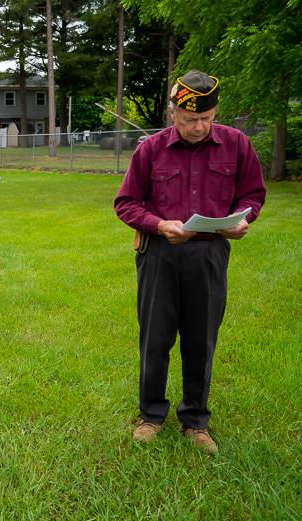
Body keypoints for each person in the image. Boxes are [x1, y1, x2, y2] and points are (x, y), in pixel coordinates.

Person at [114, 70, 266, 454]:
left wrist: (243, 219)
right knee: (155, 339)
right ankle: (151, 416)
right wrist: (160, 224)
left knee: (201, 339)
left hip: (210, 255)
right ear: (172, 113)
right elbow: (126, 203)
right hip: (160, 254)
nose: (199, 126)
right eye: (189, 120)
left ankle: (196, 421)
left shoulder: (237, 145)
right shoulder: (150, 149)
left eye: (207, 118)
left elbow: (252, 194)